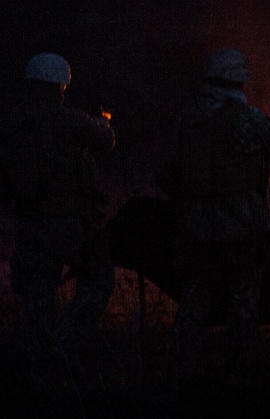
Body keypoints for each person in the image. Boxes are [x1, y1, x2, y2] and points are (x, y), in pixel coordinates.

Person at [160, 48, 270, 392]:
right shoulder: (248, 118)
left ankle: (180, 375)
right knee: (243, 302)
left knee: (195, 300)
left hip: (197, 228)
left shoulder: (189, 117)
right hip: (244, 230)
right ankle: (237, 377)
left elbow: (176, 164)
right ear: (240, 79)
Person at [0, 52, 116, 387]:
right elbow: (105, 141)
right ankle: (63, 345)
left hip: (29, 226)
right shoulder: (72, 121)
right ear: (62, 84)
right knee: (98, 280)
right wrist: (103, 121)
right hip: (68, 226)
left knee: (38, 302)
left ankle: (40, 382)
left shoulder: (14, 124)